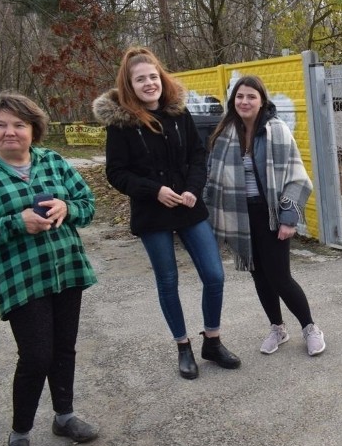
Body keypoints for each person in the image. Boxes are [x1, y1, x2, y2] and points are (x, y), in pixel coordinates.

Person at [0, 92, 99, 446]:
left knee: (64, 348)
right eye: (1, 125)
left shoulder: (52, 161)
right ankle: (20, 434)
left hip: (66, 270)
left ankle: (64, 416)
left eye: (19, 125)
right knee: (36, 356)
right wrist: (15, 223)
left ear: (34, 130)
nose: (10, 132)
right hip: (20, 279)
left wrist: (69, 208)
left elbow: (88, 206)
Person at [93, 46, 240, 379]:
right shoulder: (122, 124)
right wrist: (154, 191)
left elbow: (198, 156)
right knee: (168, 281)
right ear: (129, 85)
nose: (149, 83)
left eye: (153, 76)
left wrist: (192, 188)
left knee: (215, 275)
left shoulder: (178, 113)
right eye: (140, 79)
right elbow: (116, 173)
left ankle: (212, 341)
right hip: (152, 213)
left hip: (188, 206)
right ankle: (183, 347)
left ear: (161, 77)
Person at [205, 75, 325, 356]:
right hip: (241, 217)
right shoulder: (224, 134)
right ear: (233, 101)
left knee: (280, 276)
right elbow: (212, 179)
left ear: (261, 101)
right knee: (258, 276)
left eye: (251, 96)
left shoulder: (276, 130)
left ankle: (310, 328)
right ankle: (277, 328)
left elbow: (296, 177)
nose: (244, 101)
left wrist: (288, 218)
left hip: (271, 213)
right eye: (239, 97)